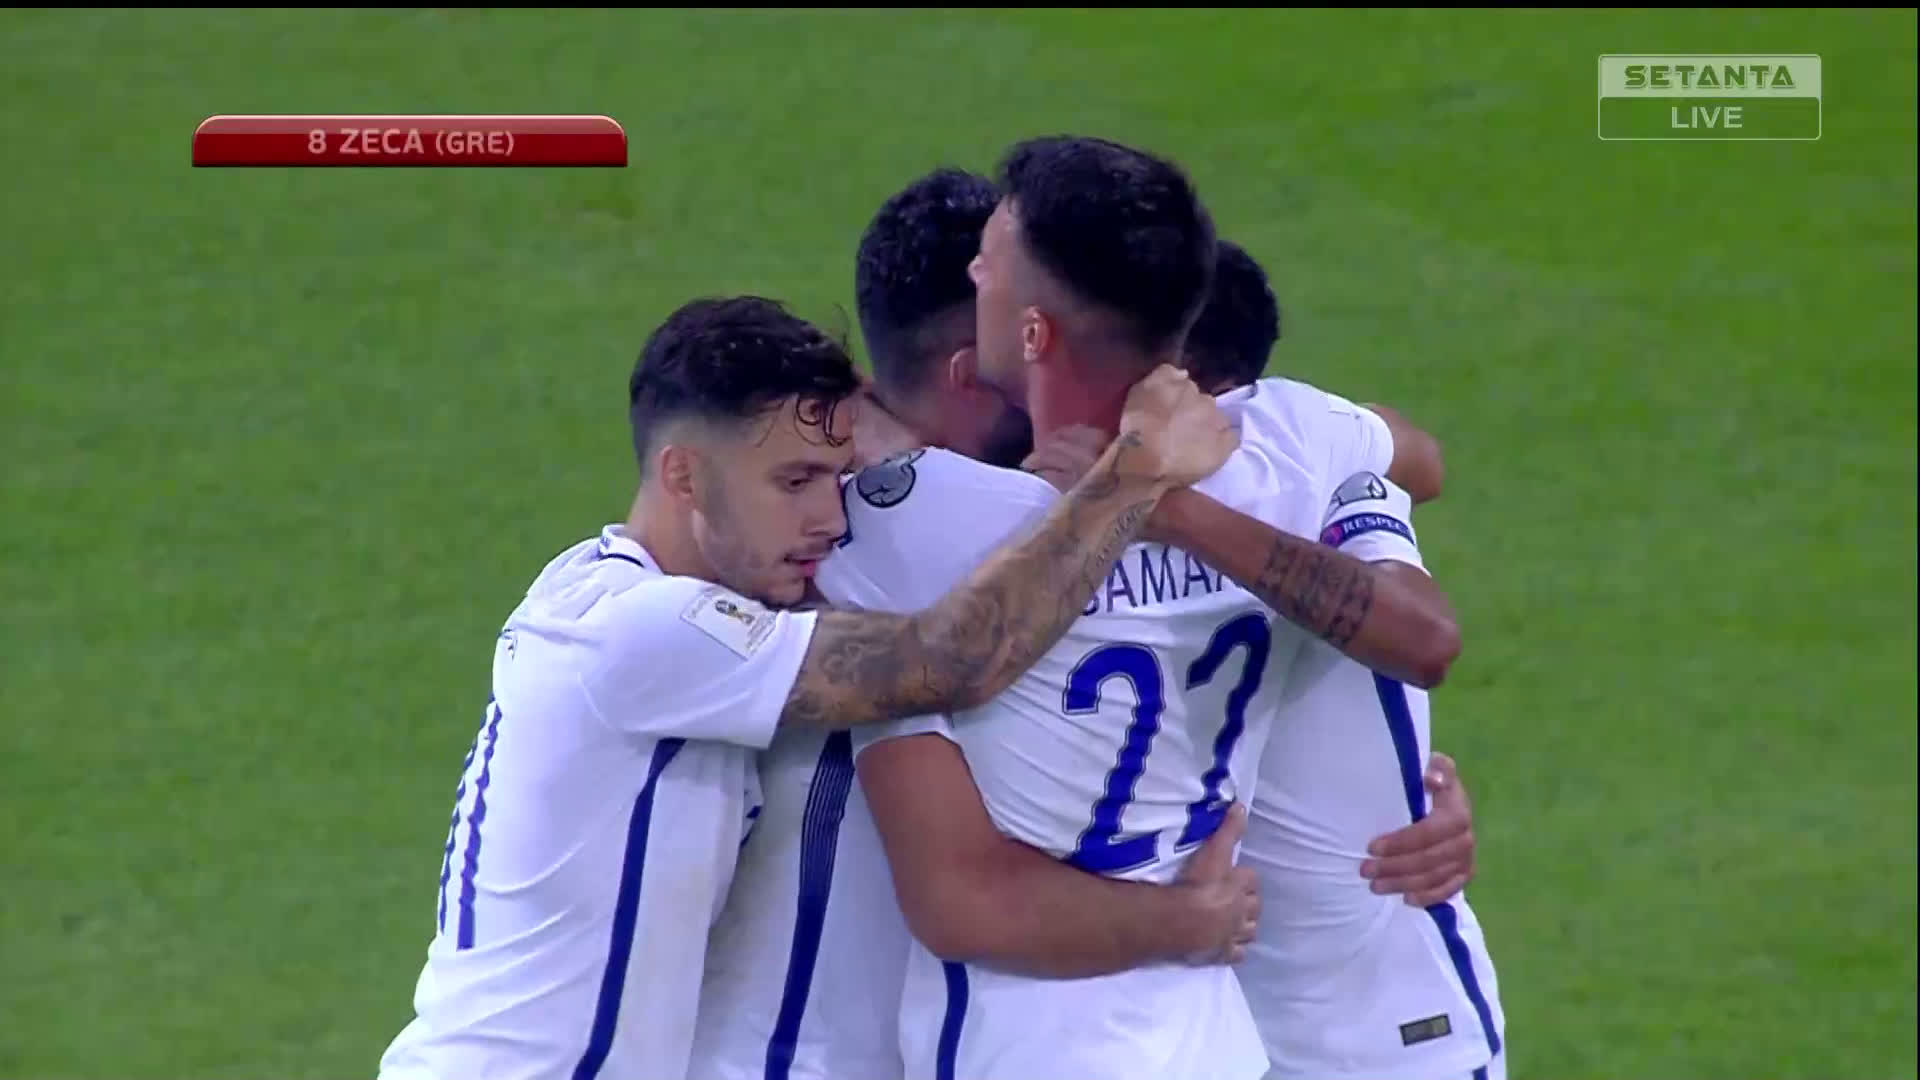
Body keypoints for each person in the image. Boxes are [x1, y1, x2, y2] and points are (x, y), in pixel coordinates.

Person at [375, 294, 1242, 1080]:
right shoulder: (637, 631)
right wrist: (1133, 474)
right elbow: (950, 660)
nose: (831, 518)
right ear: (683, 476)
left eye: (835, 475)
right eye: (793, 482)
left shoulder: (632, 605)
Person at [832, 135, 1461, 1080]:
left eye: (989, 262)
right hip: (1212, 1043)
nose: (974, 273)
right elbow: (1418, 483)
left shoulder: (917, 526)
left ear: (1033, 334)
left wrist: (1138, 498)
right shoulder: (1289, 444)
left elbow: (778, 501)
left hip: (1025, 1049)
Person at [1182, 246, 1508, 1080]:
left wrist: (1173, 509)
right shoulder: (1056, 484)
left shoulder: (1301, 457)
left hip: (1381, 1038)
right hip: (1206, 1031)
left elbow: (1425, 629)